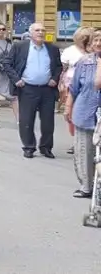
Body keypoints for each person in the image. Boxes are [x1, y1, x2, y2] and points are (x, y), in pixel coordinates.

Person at [10, 22, 62, 159]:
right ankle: (29, 147)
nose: (41, 33)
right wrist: (16, 79)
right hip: (27, 88)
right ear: (31, 33)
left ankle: (46, 147)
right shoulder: (20, 47)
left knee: (48, 121)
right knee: (26, 120)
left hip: (47, 89)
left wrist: (55, 78)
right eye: (37, 30)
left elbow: (58, 66)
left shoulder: (52, 49)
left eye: (43, 30)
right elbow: (7, 63)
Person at [67, 30, 101, 199]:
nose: (99, 43)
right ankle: (86, 186)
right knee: (84, 151)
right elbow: (73, 89)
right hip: (85, 112)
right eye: (96, 39)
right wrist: (68, 108)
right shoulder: (84, 62)